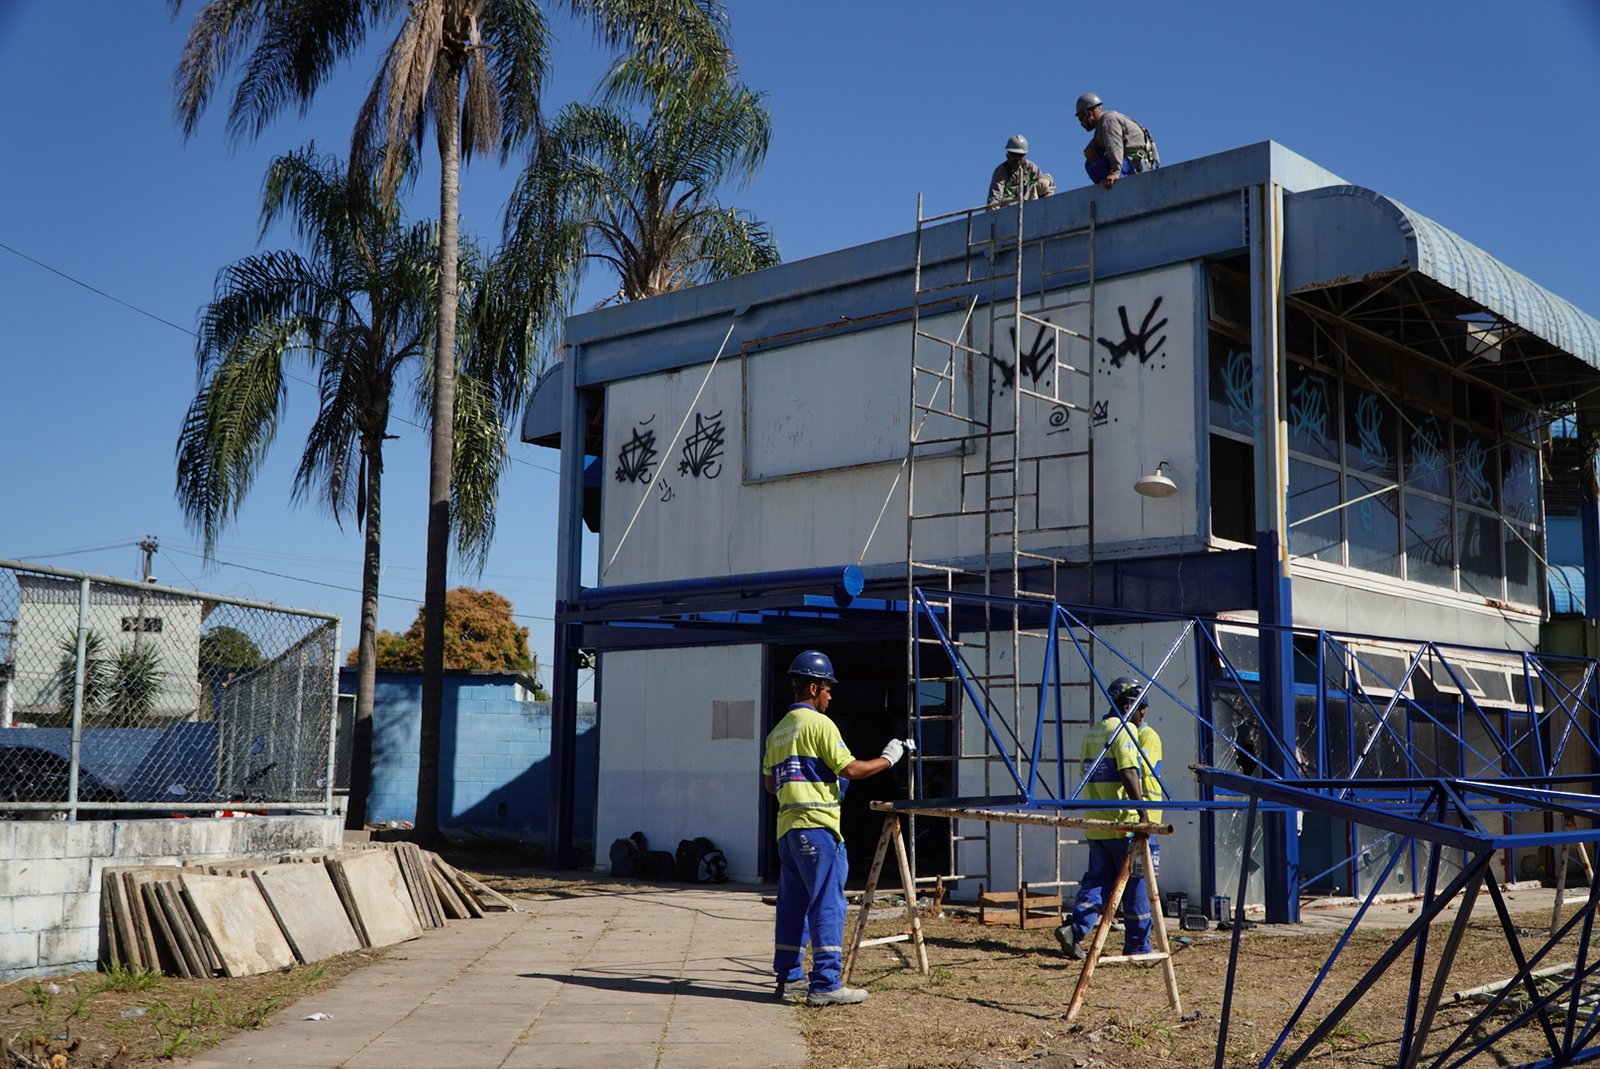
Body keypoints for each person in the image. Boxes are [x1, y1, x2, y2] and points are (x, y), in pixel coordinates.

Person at [763, 650, 915, 1006]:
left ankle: (789, 978)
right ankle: (827, 983)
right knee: (827, 903)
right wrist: (889, 758)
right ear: (814, 687)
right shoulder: (820, 725)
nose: (831, 695)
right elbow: (851, 769)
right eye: (828, 688)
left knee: (792, 906)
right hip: (819, 830)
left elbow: (772, 785)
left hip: (788, 832)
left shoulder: (778, 732)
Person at [1055, 675, 1155, 960]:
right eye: (1140, 706)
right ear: (1127, 705)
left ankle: (1074, 930)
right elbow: (1128, 772)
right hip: (1120, 824)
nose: (1143, 713)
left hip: (1096, 822)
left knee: (1097, 881)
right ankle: (1138, 946)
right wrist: (1143, 813)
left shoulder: (1092, 732)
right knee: (1134, 883)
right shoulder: (1123, 732)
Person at [1075, 93, 1159, 190]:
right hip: (1130, 162)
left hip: (1133, 163)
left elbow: (1114, 147)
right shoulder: (1101, 126)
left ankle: (1117, 184)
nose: (1081, 123)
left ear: (1089, 113)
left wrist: (1115, 173)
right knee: (1090, 162)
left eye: (1081, 118)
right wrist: (1088, 151)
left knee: (1093, 165)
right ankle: (1109, 183)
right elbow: (1094, 146)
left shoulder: (1108, 121)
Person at [988, 134, 1056, 210]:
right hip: (1009, 210)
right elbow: (995, 199)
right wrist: (995, 217)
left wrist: (1046, 180)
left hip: (1030, 205)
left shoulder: (1031, 167)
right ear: (1008, 155)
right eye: (1014, 155)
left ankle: (1050, 210)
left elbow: (1043, 184)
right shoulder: (1001, 172)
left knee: (1045, 183)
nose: (1017, 158)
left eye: (1020, 155)